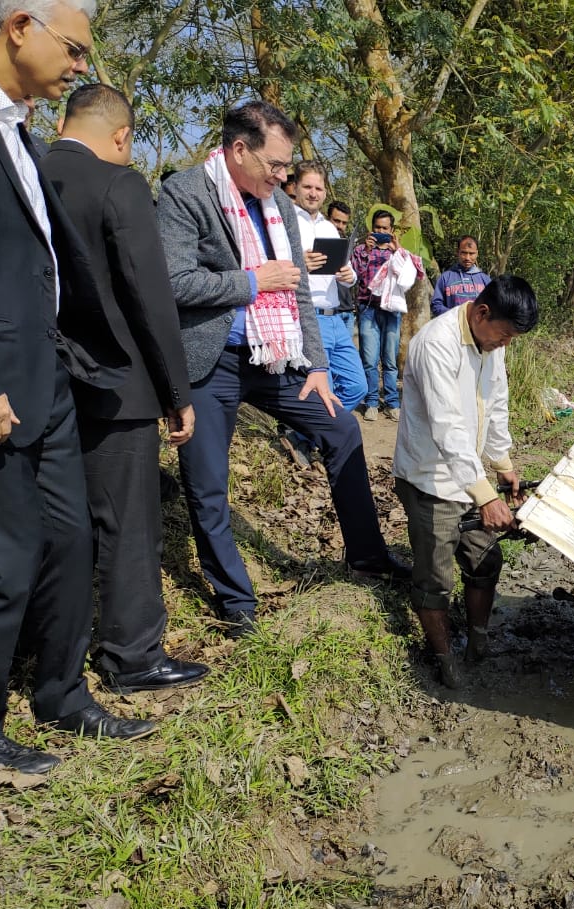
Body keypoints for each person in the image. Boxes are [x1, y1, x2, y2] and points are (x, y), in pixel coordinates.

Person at [0, 0, 157, 774]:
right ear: (19, 26)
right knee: (0, 557)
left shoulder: (16, 126)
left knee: (71, 540)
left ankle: (61, 691)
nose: (82, 66)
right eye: (74, 49)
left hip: (43, 377)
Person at [156, 100, 408, 640]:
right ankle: (235, 600)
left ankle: (367, 556)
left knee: (341, 428)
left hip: (277, 356)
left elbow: (296, 290)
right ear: (239, 149)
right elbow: (172, 282)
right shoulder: (185, 193)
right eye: (275, 165)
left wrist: (317, 364)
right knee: (206, 483)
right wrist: (250, 282)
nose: (283, 177)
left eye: (288, 168)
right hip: (211, 361)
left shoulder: (280, 208)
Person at [40, 84, 209, 694]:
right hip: (117, 387)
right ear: (121, 137)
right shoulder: (120, 184)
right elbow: (147, 296)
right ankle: (132, 655)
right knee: (128, 523)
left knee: (60, 521)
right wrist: (176, 392)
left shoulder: (28, 169)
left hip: (43, 381)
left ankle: (48, 644)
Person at [393, 275, 539, 687]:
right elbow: (447, 428)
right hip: (431, 479)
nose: (506, 344)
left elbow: (496, 403)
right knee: (435, 578)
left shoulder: (491, 344)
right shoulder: (435, 344)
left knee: (485, 560)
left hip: (471, 474)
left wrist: (503, 463)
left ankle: (478, 640)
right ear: (482, 312)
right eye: (505, 334)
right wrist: (485, 496)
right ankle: (444, 660)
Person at [291, 162, 363, 412]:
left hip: (337, 318)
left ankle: (305, 435)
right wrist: (300, 263)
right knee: (324, 389)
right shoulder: (285, 222)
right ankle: (318, 439)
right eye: (307, 186)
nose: (313, 193)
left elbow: (349, 273)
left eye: (318, 188)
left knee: (357, 386)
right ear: (296, 187)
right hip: (309, 316)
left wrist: (348, 275)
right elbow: (270, 266)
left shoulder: (329, 228)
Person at [350, 204, 404, 421]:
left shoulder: (398, 253)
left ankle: (392, 402)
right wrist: (368, 252)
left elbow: (407, 280)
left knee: (390, 360)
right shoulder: (360, 251)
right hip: (368, 309)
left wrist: (398, 253)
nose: (381, 232)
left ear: (391, 230)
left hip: (392, 311)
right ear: (372, 228)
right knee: (370, 359)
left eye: (385, 229)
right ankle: (372, 401)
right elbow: (356, 278)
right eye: (377, 228)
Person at [430, 235, 491, 316]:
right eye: (464, 253)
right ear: (457, 252)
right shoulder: (445, 278)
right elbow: (436, 305)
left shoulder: (485, 280)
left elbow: (493, 306)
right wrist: (457, 315)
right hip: (452, 327)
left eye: (471, 253)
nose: (467, 258)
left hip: (477, 328)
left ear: (477, 253)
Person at [325, 200, 358, 340]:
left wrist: (351, 277)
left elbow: (352, 278)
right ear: (327, 219)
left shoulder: (346, 244)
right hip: (327, 313)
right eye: (336, 221)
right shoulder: (317, 241)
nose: (340, 226)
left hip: (347, 310)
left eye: (344, 223)